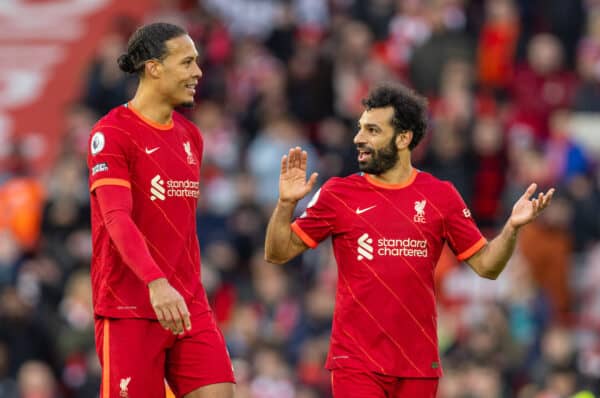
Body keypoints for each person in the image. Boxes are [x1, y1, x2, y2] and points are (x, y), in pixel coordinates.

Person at [264, 84, 554, 398]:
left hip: (418, 363)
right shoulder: (338, 194)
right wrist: (285, 205)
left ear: (403, 138)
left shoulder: (441, 195)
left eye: (372, 130)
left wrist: (512, 228)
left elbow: (488, 267)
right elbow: (277, 252)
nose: (359, 138)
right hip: (356, 361)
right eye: (361, 128)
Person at [87, 23, 234, 398]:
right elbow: (115, 217)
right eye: (187, 63)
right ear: (154, 67)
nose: (198, 72)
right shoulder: (112, 133)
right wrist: (156, 282)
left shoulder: (191, 137)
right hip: (130, 306)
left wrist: (176, 287)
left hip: (188, 302)